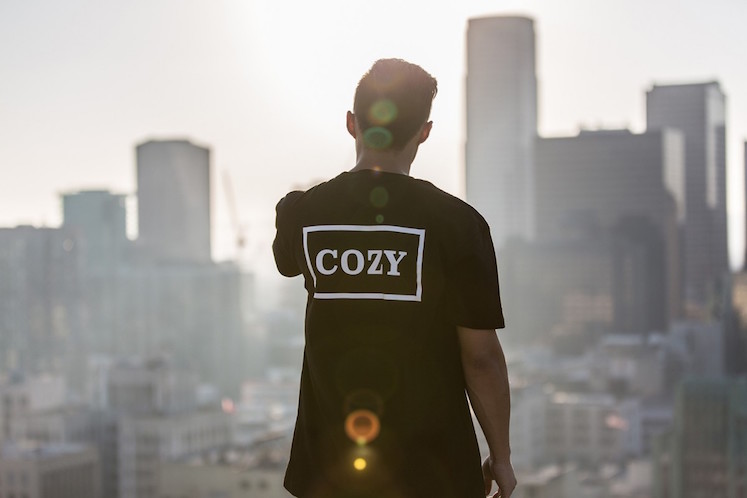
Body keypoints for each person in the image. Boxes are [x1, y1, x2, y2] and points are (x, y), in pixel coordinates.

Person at [273, 58, 516, 498]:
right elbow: (481, 358)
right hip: (435, 475)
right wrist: (500, 456)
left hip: (328, 473)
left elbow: (287, 262)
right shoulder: (458, 225)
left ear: (352, 123)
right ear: (424, 131)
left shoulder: (302, 214)